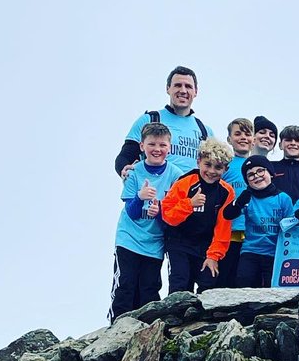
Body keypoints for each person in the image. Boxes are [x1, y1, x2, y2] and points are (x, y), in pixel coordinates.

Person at [109, 123, 185, 320]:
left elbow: (174, 214)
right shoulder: (135, 172)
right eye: (152, 144)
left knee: (149, 287)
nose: (157, 149)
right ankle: (117, 328)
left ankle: (145, 328)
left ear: (170, 148)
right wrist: (140, 197)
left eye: (162, 145)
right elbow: (132, 212)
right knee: (126, 284)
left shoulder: (176, 175)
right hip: (130, 238)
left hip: (155, 241)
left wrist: (160, 212)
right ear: (142, 146)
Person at [161, 138, 235, 293]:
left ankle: (201, 318)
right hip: (179, 242)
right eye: (207, 164)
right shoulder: (185, 183)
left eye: (218, 167)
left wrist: (214, 256)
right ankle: (175, 316)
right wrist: (189, 204)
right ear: (198, 161)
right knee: (180, 283)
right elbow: (168, 216)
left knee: (208, 284)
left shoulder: (226, 192)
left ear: (226, 169)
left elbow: (223, 227)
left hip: (205, 246)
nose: (212, 171)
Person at [115, 66, 213, 177]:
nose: (183, 90)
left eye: (188, 86)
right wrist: (125, 171)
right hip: (156, 192)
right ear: (168, 88)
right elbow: (125, 157)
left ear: (195, 92)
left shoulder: (205, 131)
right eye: (177, 85)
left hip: (192, 193)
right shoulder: (149, 120)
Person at [226, 155, 295, 287]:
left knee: (272, 287)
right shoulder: (247, 198)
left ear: (270, 173)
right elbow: (228, 214)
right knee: (243, 282)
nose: (256, 176)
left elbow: (291, 227)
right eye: (250, 175)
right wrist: (239, 202)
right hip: (250, 250)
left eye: (260, 171)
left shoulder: (283, 198)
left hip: (275, 252)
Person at [218, 117, 254, 287]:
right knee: (225, 276)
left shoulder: (258, 165)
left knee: (244, 279)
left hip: (251, 232)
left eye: (247, 134)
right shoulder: (225, 165)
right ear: (229, 139)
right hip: (228, 230)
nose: (243, 138)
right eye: (237, 134)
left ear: (253, 139)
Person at [269, 125, 299, 201]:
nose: (293, 143)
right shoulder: (270, 167)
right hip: (276, 211)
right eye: (288, 140)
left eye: (298, 140)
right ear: (280, 145)